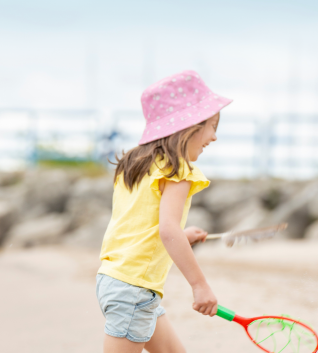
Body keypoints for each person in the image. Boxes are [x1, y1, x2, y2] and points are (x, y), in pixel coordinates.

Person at [96, 70, 233, 353]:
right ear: (190, 126)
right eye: (211, 125)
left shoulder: (137, 162)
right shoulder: (179, 170)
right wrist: (200, 285)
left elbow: (140, 225)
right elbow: (167, 229)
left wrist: (183, 235)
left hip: (116, 279)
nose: (214, 137)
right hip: (133, 288)